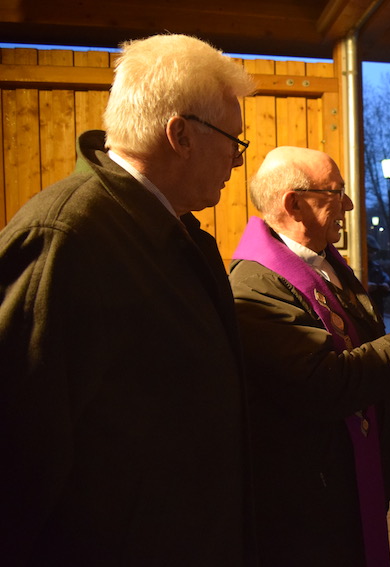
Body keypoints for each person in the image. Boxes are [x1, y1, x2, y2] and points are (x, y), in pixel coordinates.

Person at [0, 34, 256, 566]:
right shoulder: (65, 235)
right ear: (180, 135)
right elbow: (16, 456)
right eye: (233, 140)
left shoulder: (176, 231)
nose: (236, 160)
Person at [228, 146, 390, 567]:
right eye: (335, 192)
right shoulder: (256, 284)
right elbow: (330, 383)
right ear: (294, 204)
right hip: (313, 504)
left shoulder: (323, 262)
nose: (350, 204)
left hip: (345, 486)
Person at [366, 234, 390, 318]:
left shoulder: (375, 267)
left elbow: (387, 282)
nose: (371, 255)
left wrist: (386, 285)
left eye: (373, 252)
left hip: (377, 311)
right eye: (370, 251)